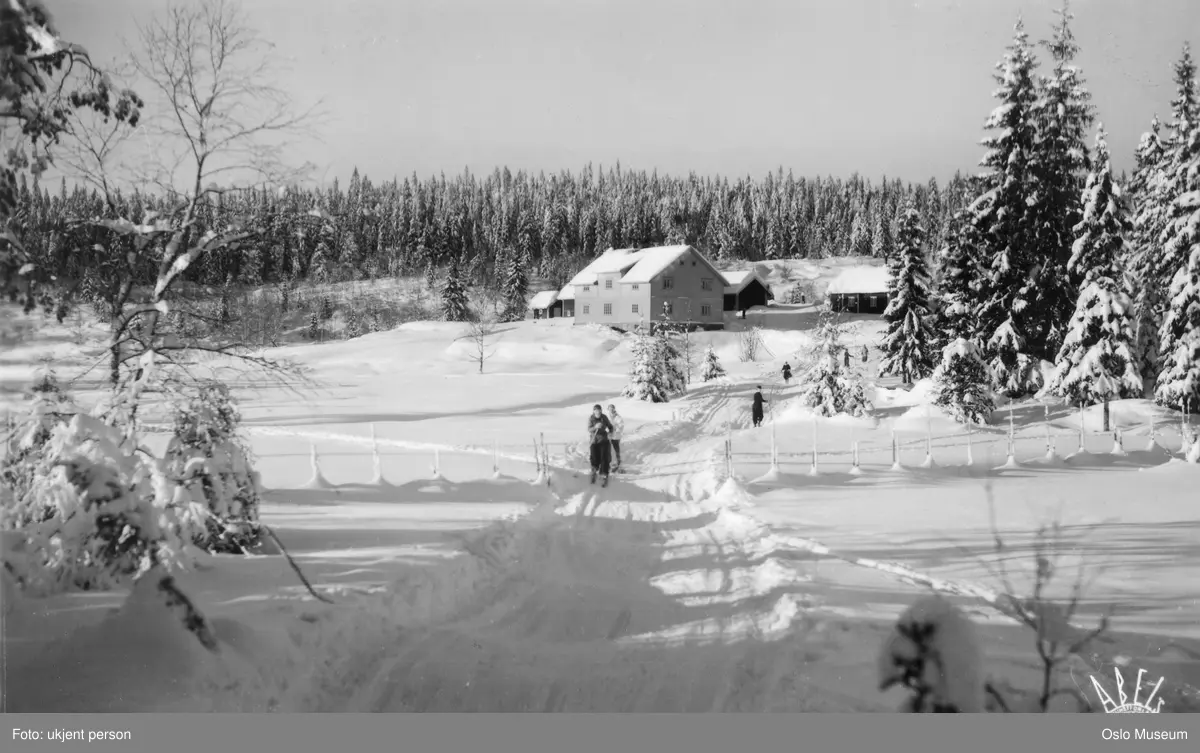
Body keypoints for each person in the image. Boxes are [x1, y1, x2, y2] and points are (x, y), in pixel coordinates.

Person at [587, 404, 614, 485]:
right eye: (596, 410)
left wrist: (610, 433)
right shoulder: (591, 418)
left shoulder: (604, 417)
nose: (598, 412)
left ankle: (604, 474)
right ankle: (594, 471)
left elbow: (610, 427)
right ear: (594, 411)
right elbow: (589, 429)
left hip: (603, 440)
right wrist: (595, 427)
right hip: (594, 441)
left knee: (604, 457)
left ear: (601, 411)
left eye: (599, 410)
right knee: (594, 457)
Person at [607, 404, 625, 473]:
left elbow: (621, 426)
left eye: (612, 409)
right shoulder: (608, 417)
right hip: (609, 436)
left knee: (616, 450)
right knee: (608, 450)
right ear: (608, 409)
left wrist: (615, 429)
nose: (611, 410)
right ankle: (609, 464)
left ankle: (618, 463)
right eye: (610, 409)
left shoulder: (618, 417)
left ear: (614, 409)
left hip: (616, 437)